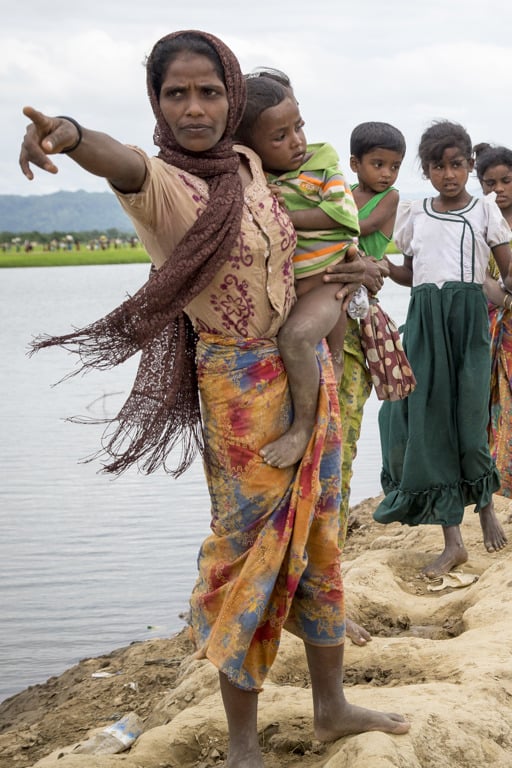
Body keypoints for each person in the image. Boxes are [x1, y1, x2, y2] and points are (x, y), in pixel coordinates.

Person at [19, 30, 409, 768]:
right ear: (157, 105)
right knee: (248, 555)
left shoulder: (252, 164)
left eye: (209, 92)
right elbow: (119, 157)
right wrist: (68, 134)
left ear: (231, 98)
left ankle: (331, 709)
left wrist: (353, 268)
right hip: (238, 390)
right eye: (176, 94)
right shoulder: (162, 184)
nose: (194, 108)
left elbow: (307, 242)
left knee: (321, 535)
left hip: (309, 378)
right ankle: (241, 745)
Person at [374, 119, 512, 579]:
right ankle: (453, 542)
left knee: (469, 422)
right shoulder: (416, 213)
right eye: (438, 166)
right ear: (427, 170)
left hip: (470, 323)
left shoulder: (484, 212)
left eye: (456, 165)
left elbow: (508, 273)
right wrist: (382, 266)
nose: (448, 174)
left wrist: (502, 297)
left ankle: (486, 504)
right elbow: (412, 275)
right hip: (425, 325)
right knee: (428, 425)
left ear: (470, 166)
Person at [235, 73, 363, 470]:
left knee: (294, 338)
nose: (297, 141)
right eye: (280, 136)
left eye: (299, 127)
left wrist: (285, 214)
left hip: (328, 281)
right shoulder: (256, 178)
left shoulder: (323, 166)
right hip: (293, 288)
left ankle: (303, 427)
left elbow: (344, 216)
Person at [338, 121, 406, 545]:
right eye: (377, 164)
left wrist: (323, 219)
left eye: (394, 166)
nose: (386, 174)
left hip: (360, 302)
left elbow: (356, 230)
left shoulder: (389, 198)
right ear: (354, 164)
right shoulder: (341, 195)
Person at [474, 143, 512, 497]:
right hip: (487, 332)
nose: (498, 190)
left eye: (506, 181)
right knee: (490, 405)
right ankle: (495, 485)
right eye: (490, 183)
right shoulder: (476, 224)